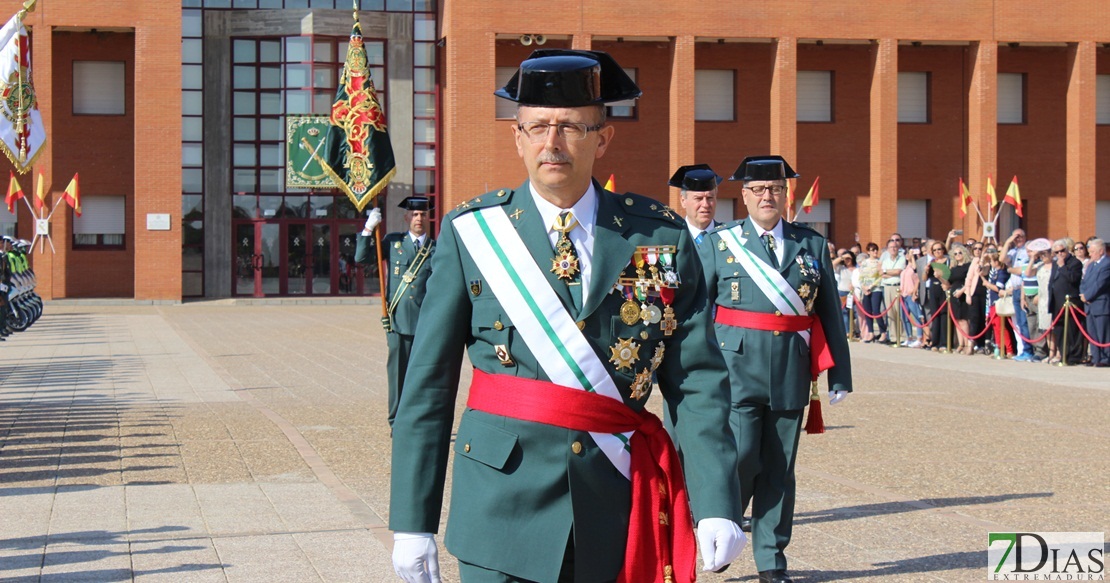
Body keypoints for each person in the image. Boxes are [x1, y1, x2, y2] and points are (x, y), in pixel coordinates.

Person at [388, 49, 745, 583]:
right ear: (517, 136)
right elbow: (428, 388)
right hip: (499, 506)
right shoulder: (473, 234)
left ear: (603, 138)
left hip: (615, 496)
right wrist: (412, 522)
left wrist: (717, 498)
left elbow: (696, 379)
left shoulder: (657, 236)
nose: (551, 143)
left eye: (571, 127)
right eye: (537, 127)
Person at [703, 155, 852, 583]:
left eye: (776, 190)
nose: (768, 197)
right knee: (742, 458)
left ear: (786, 196)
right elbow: (699, 312)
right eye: (759, 190)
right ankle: (726, 533)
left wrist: (839, 373)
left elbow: (828, 314)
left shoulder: (812, 244)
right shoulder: (721, 243)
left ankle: (771, 559)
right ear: (744, 196)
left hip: (791, 367)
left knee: (779, 469)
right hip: (736, 367)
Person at [356, 196, 436, 428]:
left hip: (424, 324)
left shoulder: (436, 248)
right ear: (406, 217)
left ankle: (419, 420)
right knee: (398, 375)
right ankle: (397, 421)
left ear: (428, 217)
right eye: (414, 214)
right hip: (398, 322)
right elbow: (361, 258)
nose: (418, 218)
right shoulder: (393, 243)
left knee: (423, 376)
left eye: (422, 214)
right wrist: (368, 229)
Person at [672, 163, 723, 266]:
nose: (705, 204)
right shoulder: (673, 239)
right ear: (683, 201)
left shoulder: (729, 237)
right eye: (698, 199)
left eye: (710, 198)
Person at [1048, 239, 1085, 365]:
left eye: (1062, 251)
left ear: (1067, 250)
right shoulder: (1055, 263)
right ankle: (1063, 354)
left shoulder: (1075, 263)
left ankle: (1073, 357)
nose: (1060, 254)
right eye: (1056, 252)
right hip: (1057, 302)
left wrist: (1063, 266)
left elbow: (1073, 279)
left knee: (1071, 331)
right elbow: (1052, 282)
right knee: (1059, 330)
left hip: (1070, 302)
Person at [1079, 238, 1109, 366]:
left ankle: (1105, 358)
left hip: (1100, 304)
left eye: (1092, 251)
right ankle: (1096, 358)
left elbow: (1100, 284)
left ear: (1101, 251)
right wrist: (1083, 294)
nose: (1089, 254)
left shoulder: (1107, 264)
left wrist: (1088, 296)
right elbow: (1084, 281)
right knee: (1092, 333)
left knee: (1103, 333)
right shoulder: (1091, 265)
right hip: (1089, 305)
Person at [946, 244, 972, 354]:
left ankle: (967, 343)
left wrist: (962, 291)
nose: (958, 255)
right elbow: (949, 282)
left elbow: (970, 280)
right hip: (953, 293)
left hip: (963, 292)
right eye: (955, 253)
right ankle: (960, 343)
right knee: (956, 319)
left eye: (960, 253)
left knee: (963, 319)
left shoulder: (968, 266)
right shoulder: (954, 268)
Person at [858, 242, 885, 342]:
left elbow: (880, 277)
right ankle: (870, 332)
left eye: (876, 250)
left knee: (876, 310)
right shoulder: (865, 263)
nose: (875, 252)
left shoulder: (879, 262)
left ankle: (883, 332)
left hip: (876, 288)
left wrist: (871, 286)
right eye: (873, 250)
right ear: (868, 252)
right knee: (867, 311)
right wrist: (864, 287)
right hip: (866, 289)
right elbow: (861, 276)